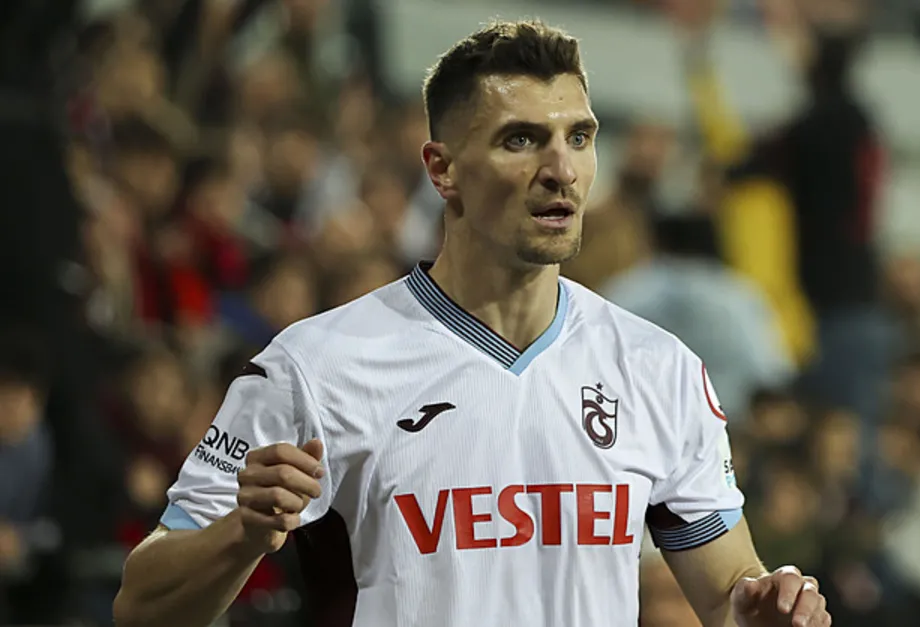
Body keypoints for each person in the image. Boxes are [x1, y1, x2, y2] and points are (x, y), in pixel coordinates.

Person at [113, 20, 831, 627]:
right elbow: (141, 606)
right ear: (442, 169)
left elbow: (730, 590)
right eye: (521, 140)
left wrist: (765, 607)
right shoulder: (316, 367)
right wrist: (242, 535)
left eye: (580, 137)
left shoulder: (658, 369)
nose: (562, 169)